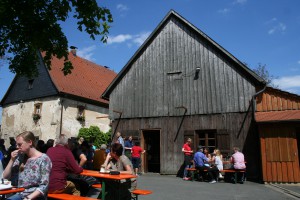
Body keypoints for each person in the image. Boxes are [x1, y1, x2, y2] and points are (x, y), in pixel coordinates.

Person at [3, 131, 52, 200]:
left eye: (19, 144)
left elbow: (44, 185)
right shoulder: (21, 157)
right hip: (19, 193)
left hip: (35, 196)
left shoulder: (44, 159)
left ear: (30, 142)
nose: (17, 147)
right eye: (17, 145)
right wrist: (12, 160)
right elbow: (5, 177)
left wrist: (28, 198)